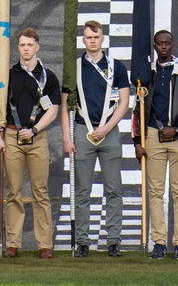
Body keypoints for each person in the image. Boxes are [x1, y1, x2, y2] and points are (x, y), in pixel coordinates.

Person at [60, 19, 130, 258]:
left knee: (113, 189)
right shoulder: (74, 67)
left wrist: (107, 127)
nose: (92, 41)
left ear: (103, 39)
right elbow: (64, 105)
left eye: (96, 37)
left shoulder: (116, 67)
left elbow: (124, 102)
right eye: (88, 37)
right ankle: (82, 242)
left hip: (108, 133)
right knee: (82, 190)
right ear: (83, 39)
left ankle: (113, 241)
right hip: (82, 131)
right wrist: (66, 138)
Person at [0, 26, 61, 259]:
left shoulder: (48, 76)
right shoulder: (7, 74)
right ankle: (13, 243)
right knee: (14, 191)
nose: (26, 48)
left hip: (37, 138)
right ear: (18, 48)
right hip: (12, 136)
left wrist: (36, 129)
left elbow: (53, 111)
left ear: (37, 47)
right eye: (22, 45)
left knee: (41, 191)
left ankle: (44, 245)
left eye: (30, 45)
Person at [132, 28, 178, 261]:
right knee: (155, 191)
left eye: (167, 43)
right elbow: (137, 111)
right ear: (154, 46)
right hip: (153, 135)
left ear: (173, 45)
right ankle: (159, 242)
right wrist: (137, 141)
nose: (163, 47)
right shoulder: (146, 73)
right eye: (159, 43)